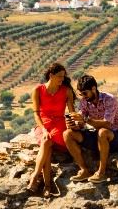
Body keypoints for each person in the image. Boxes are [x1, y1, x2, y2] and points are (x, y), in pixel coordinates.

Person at [64, 74, 118, 183]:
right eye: (81, 94)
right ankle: (84, 170)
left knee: (103, 132)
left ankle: (101, 173)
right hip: (99, 137)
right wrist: (74, 124)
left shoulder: (109, 99)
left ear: (93, 89)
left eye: (85, 93)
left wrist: (85, 119)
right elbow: (82, 123)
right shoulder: (85, 102)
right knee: (68, 134)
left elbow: (107, 124)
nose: (83, 96)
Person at [27, 62, 77, 197]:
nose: (62, 79)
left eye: (63, 76)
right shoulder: (38, 90)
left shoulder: (66, 91)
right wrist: (43, 130)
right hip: (43, 124)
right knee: (46, 141)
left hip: (60, 125)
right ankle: (47, 186)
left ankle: (36, 177)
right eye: (59, 76)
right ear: (51, 75)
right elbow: (36, 114)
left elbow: (72, 113)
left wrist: (77, 122)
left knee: (46, 143)